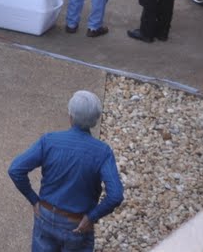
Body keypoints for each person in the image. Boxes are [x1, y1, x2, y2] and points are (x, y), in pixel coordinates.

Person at [7, 90, 124, 251]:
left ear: (71, 116)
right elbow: (115, 195)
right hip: (77, 225)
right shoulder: (103, 152)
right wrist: (92, 217)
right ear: (95, 120)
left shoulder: (49, 141)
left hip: (45, 217)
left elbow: (15, 169)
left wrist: (34, 200)